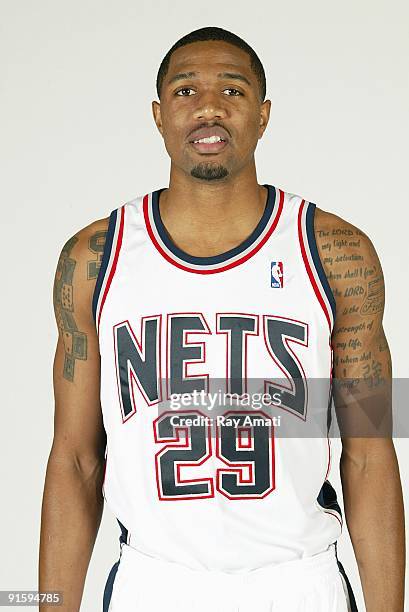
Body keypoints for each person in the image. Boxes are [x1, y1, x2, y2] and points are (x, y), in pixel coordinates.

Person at [39, 26, 405, 612]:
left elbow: (370, 452)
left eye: (232, 91)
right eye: (186, 91)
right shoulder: (93, 258)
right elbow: (76, 458)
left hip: (298, 582)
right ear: (158, 116)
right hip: (152, 585)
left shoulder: (336, 251)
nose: (209, 106)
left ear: (263, 116)